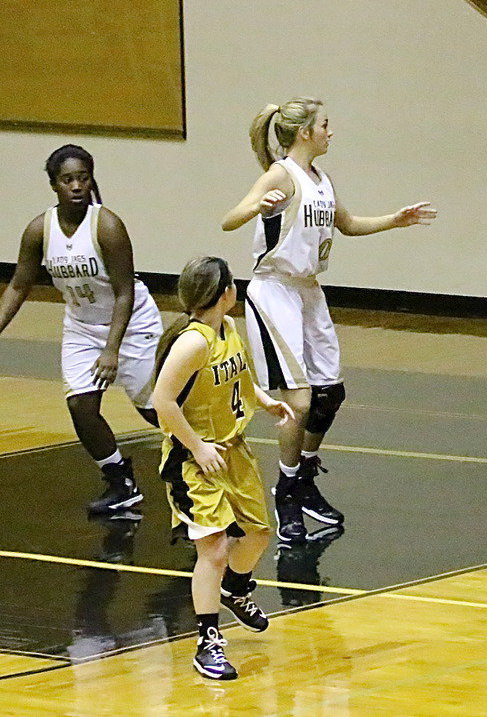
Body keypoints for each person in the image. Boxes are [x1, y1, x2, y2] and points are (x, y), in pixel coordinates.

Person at [222, 97, 436, 543]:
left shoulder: (321, 179)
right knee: (298, 403)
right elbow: (230, 219)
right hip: (275, 290)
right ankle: (285, 493)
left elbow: (348, 224)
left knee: (329, 394)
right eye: (324, 125)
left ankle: (303, 476)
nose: (330, 131)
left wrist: (396, 220)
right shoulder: (281, 174)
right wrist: (258, 207)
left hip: (308, 291)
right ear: (304, 133)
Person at [151, 255, 294, 680]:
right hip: (194, 459)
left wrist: (264, 401)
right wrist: (197, 447)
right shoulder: (193, 343)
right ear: (226, 293)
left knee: (258, 535)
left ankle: (234, 588)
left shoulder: (227, 327)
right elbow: (162, 401)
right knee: (213, 550)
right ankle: (208, 642)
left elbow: (239, 376)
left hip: (233, 450)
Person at [0, 144, 162, 515]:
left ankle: (198, 462)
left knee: (154, 410)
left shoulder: (107, 226)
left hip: (131, 324)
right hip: (81, 325)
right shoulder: (39, 229)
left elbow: (124, 293)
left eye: (83, 178)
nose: (76, 186)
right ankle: (121, 482)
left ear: (91, 180)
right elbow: (18, 285)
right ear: (53, 185)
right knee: (80, 405)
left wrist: (111, 349)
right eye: (67, 180)